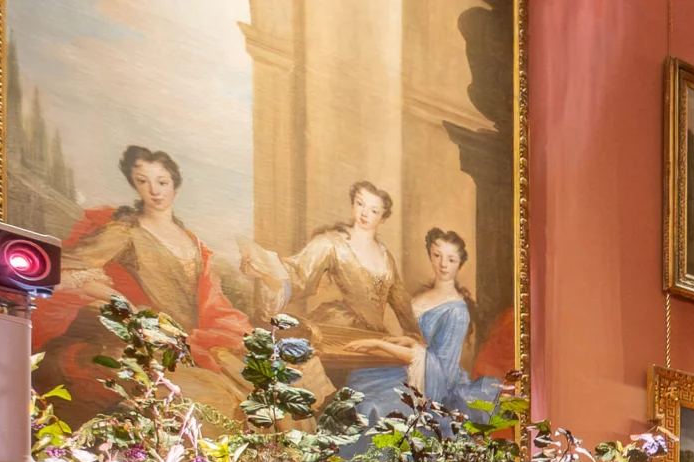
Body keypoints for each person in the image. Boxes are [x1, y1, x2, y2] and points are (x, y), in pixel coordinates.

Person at [36, 145, 257, 419]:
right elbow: (64, 266)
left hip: (190, 341)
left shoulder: (193, 241)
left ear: (175, 186)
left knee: (259, 389)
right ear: (135, 186)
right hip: (151, 340)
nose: (154, 191)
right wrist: (120, 300)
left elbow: (211, 300)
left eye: (162, 182)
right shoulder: (126, 231)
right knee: (202, 399)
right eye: (143, 182)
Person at [249, 180, 424, 422]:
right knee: (331, 403)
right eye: (360, 204)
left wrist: (421, 339)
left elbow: (401, 300)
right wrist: (268, 273)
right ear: (353, 204)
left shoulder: (385, 256)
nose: (365, 213)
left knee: (387, 397)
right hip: (335, 331)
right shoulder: (332, 243)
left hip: (372, 338)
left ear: (383, 217)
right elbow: (298, 272)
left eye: (374, 210)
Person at [407, 228, 506, 421]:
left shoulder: (457, 310)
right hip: (411, 370)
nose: (443, 264)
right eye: (437, 256)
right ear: (430, 255)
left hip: (438, 383)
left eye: (451, 260)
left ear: (460, 263)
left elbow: (445, 371)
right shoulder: (417, 298)